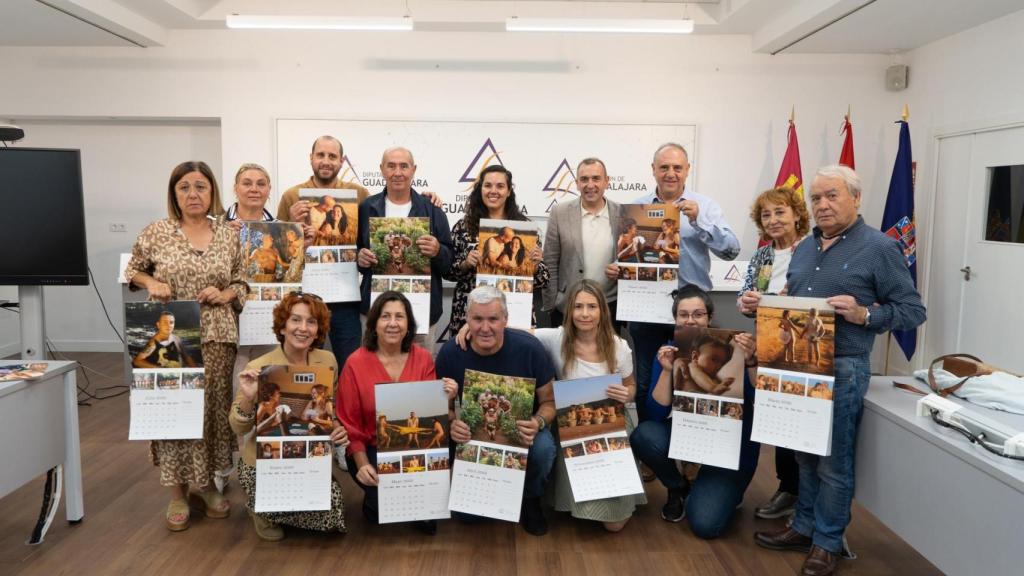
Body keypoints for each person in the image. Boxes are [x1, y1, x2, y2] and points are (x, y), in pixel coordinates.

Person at [751, 165, 926, 576]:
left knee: (833, 462)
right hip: (796, 364)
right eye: (816, 198)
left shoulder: (879, 247)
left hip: (842, 367)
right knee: (804, 454)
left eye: (832, 196)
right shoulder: (806, 247)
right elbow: (794, 299)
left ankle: (827, 543)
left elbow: (913, 310)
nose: (823, 205)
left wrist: (865, 313)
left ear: (855, 198)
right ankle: (804, 525)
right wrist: (767, 305)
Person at [125, 160, 249, 532]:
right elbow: (132, 269)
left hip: (217, 335)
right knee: (175, 413)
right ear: (174, 193)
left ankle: (208, 484)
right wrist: (150, 282)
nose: (193, 194)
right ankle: (178, 493)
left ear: (212, 192)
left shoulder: (229, 234)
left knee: (211, 413)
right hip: (169, 336)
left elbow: (242, 283)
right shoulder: (157, 232)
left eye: (200, 187)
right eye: (184, 187)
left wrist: (224, 292)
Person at [629, 286, 761, 539]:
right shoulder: (672, 349)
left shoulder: (740, 348)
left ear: (709, 318)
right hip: (691, 437)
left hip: (729, 448)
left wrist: (752, 362)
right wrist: (667, 370)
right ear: (675, 319)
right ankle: (678, 486)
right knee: (644, 435)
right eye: (683, 314)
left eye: (698, 314)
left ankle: (716, 489)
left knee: (705, 525)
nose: (690, 320)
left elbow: (761, 401)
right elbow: (656, 414)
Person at [622, 143, 740, 421]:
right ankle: (650, 444)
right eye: (664, 167)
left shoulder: (705, 206)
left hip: (692, 313)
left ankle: (690, 451)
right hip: (646, 311)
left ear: (688, 170)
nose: (670, 173)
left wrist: (699, 221)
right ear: (653, 171)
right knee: (647, 379)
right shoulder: (636, 209)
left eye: (677, 167)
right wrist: (621, 270)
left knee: (692, 378)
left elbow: (731, 250)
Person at [436, 286, 557, 536]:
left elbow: (550, 402)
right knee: (467, 519)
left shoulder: (529, 349)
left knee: (544, 448)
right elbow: (443, 410)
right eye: (477, 319)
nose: (485, 327)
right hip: (475, 436)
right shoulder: (450, 353)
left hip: (523, 433)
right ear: (466, 319)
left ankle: (530, 499)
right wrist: (452, 423)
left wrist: (537, 422)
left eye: (493, 319)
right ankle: (480, 491)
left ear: (506, 319)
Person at [229, 292, 349, 540]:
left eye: (311, 322)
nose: (303, 328)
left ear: (318, 330)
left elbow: (331, 407)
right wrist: (250, 397)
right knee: (290, 507)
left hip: (306, 457)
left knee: (333, 515)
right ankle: (261, 510)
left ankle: (275, 509)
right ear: (282, 327)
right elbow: (238, 428)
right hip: (264, 462)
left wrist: (336, 426)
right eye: (296, 320)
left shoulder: (327, 360)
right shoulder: (259, 366)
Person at [336, 291, 457, 534]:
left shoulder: (422, 358)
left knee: (449, 438)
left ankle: (422, 502)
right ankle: (375, 503)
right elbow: (350, 425)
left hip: (415, 445)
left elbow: (431, 415)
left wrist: (447, 399)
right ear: (374, 324)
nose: (393, 323)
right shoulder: (355, 363)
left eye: (399, 317)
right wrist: (361, 464)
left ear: (408, 324)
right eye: (385, 316)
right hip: (371, 447)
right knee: (380, 506)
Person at [529, 280, 645, 532]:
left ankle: (616, 496)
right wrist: (466, 330)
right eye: (578, 306)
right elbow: (516, 331)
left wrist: (626, 394)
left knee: (614, 525)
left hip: (609, 423)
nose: (584, 313)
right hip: (571, 424)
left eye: (592, 307)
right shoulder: (556, 338)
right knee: (577, 507)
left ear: (603, 311)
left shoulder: (618, 346)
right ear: (569, 310)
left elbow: (632, 386)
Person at [736, 185, 811, 520]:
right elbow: (745, 297)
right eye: (766, 214)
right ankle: (788, 488)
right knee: (776, 417)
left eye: (780, 212)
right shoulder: (763, 254)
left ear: (797, 215)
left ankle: (805, 494)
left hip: (803, 347)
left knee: (801, 420)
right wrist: (746, 301)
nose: (773, 220)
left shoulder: (812, 251)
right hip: (768, 345)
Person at [356, 147, 454, 350]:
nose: (397, 172)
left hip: (420, 312)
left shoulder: (432, 210)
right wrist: (360, 259)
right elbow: (356, 254)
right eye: (391, 166)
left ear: (413, 170)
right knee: (374, 373)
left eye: (404, 166)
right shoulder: (366, 207)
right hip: (376, 311)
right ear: (382, 170)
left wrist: (437, 251)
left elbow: (449, 264)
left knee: (419, 375)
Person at [443, 165, 549, 337]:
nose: (494, 191)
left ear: (509, 191)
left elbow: (543, 280)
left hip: (515, 311)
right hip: (470, 314)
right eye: (488, 185)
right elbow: (447, 272)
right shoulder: (464, 227)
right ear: (480, 189)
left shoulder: (526, 228)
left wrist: (535, 266)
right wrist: (465, 264)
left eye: (500, 186)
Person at [543, 158, 623, 329]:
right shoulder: (560, 212)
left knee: (606, 355)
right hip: (568, 306)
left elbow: (629, 259)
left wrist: (622, 271)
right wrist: (552, 302)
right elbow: (549, 260)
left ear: (606, 181)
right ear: (577, 183)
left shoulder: (622, 213)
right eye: (584, 179)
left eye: (596, 178)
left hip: (609, 306)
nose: (590, 184)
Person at [132, 311, 198, 368]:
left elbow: (187, 357)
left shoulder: (176, 339)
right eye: (165, 322)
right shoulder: (154, 342)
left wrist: (196, 371)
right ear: (158, 325)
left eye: (171, 322)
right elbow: (137, 361)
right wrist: (159, 369)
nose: (168, 325)